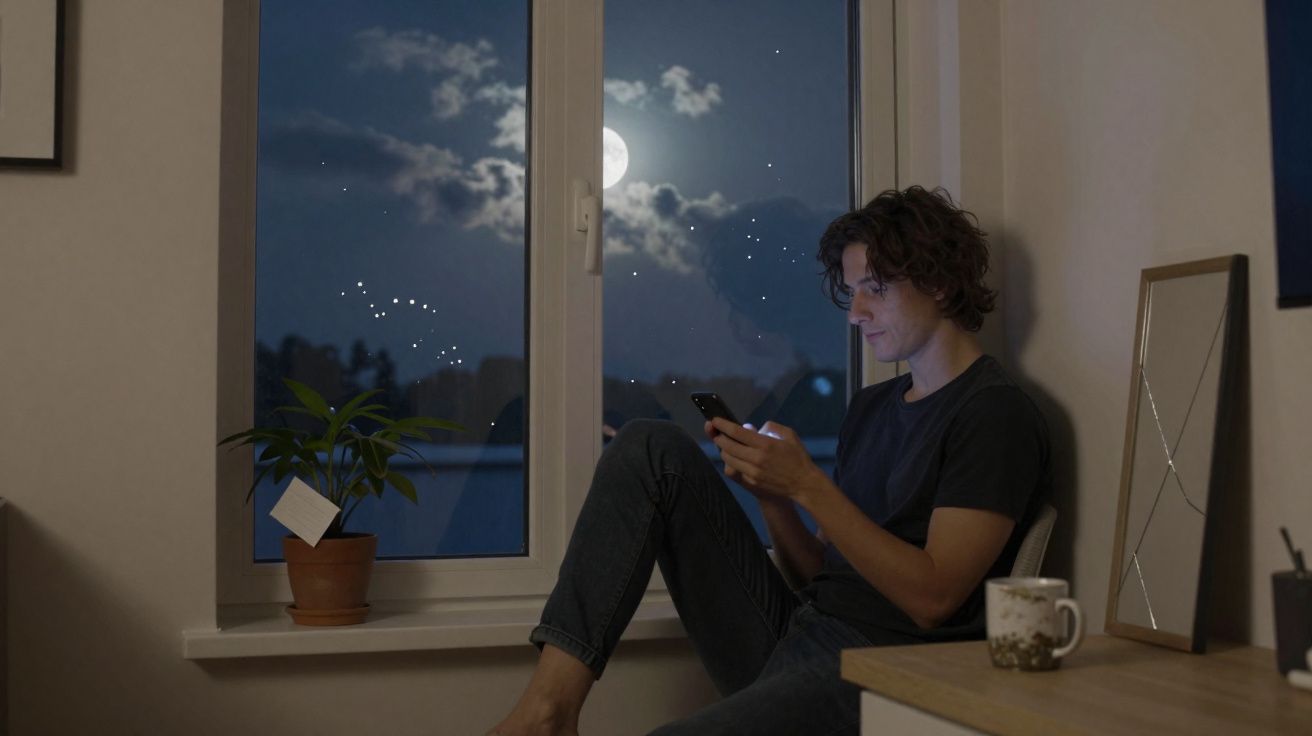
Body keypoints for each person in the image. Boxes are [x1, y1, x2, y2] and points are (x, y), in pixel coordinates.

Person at [489, 186, 1051, 736]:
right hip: (801, 633)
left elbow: (934, 600)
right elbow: (819, 578)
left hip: (886, 666)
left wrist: (809, 486)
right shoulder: (873, 407)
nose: (855, 312)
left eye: (875, 289)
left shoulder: (993, 414)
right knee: (648, 447)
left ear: (939, 283)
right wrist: (775, 500)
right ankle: (548, 710)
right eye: (852, 291)